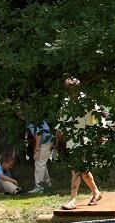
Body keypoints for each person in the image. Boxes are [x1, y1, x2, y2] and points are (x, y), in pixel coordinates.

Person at [61, 78, 102, 211]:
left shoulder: (88, 101)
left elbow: (98, 118)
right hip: (72, 139)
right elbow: (63, 122)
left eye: (73, 88)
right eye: (69, 88)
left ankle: (72, 199)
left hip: (85, 139)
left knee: (76, 169)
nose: (71, 91)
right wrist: (60, 136)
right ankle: (96, 192)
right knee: (83, 170)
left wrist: (99, 135)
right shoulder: (66, 102)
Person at [29, 120, 54, 194]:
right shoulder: (34, 118)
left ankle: (39, 188)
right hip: (48, 141)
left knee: (39, 164)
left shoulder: (32, 120)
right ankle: (47, 183)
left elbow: (38, 134)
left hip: (46, 142)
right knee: (42, 163)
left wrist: (37, 150)